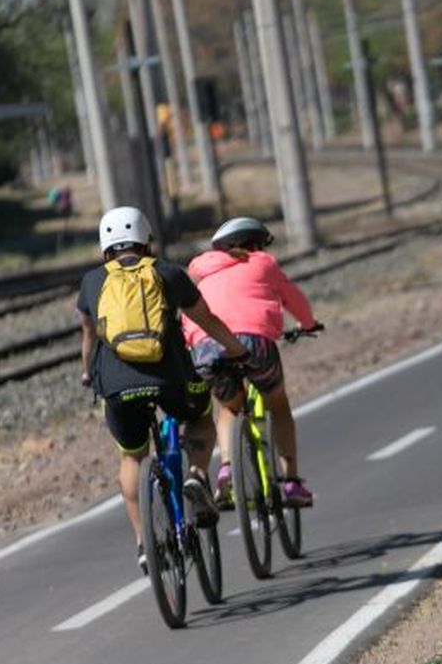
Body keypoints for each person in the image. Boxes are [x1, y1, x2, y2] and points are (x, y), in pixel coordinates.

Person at [78, 206, 250, 575]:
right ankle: (196, 475)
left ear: (105, 247)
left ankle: (144, 543)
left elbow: (89, 336)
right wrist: (237, 349)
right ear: (146, 240)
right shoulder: (168, 273)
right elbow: (207, 320)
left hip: (117, 386)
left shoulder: (91, 282)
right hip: (172, 379)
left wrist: (87, 373)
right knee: (201, 417)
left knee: (131, 458)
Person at [183, 217, 322, 508]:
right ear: (256, 244)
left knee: (229, 407)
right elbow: (293, 299)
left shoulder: (203, 275)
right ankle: (292, 483)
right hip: (253, 343)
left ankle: (226, 470)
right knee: (278, 403)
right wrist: (308, 324)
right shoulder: (263, 263)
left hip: (207, 347)